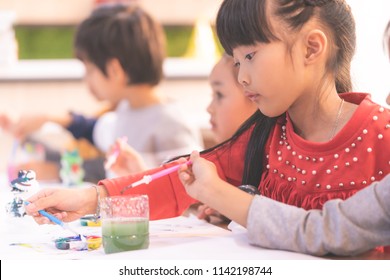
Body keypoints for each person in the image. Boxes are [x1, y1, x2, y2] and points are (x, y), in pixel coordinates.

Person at [25, 0, 390, 256]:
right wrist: (92, 199)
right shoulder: (266, 135)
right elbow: (184, 178)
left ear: (312, 48)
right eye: (235, 60)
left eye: (250, 56)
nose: (242, 77)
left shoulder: (381, 134)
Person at [0, 3, 202, 182]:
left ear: (114, 70)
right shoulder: (127, 109)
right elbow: (92, 131)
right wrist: (42, 123)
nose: (86, 79)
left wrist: (57, 170)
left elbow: (186, 190)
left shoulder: (171, 124)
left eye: (89, 70)